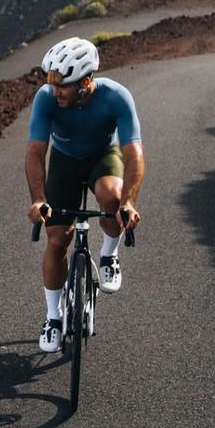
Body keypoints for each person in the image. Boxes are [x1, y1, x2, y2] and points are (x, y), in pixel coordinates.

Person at [23, 36, 145, 353]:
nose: (54, 90)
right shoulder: (46, 98)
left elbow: (134, 156)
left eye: (62, 84)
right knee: (57, 240)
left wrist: (129, 203)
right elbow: (36, 152)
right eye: (51, 81)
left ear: (86, 81)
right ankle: (53, 317)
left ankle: (108, 254)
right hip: (64, 162)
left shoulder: (116, 97)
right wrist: (39, 199)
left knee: (111, 197)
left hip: (102, 157)